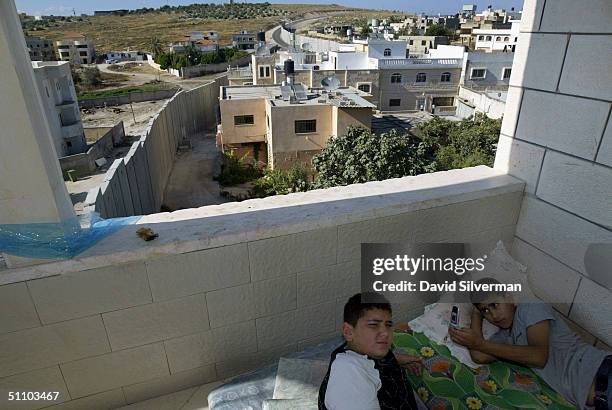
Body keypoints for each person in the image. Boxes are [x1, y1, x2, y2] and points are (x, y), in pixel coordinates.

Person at [448, 278, 612, 410]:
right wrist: (477, 315)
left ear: (509, 297)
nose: (493, 315)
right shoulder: (503, 338)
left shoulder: (530, 307)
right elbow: (478, 355)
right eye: (486, 311)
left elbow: (539, 356)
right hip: (597, 400)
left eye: (494, 305)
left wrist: (479, 343)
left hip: (603, 373)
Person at [318, 292, 422, 410]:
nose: (385, 333)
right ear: (348, 332)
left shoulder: (363, 348)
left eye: (388, 325)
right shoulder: (349, 372)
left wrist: (396, 360)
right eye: (373, 325)